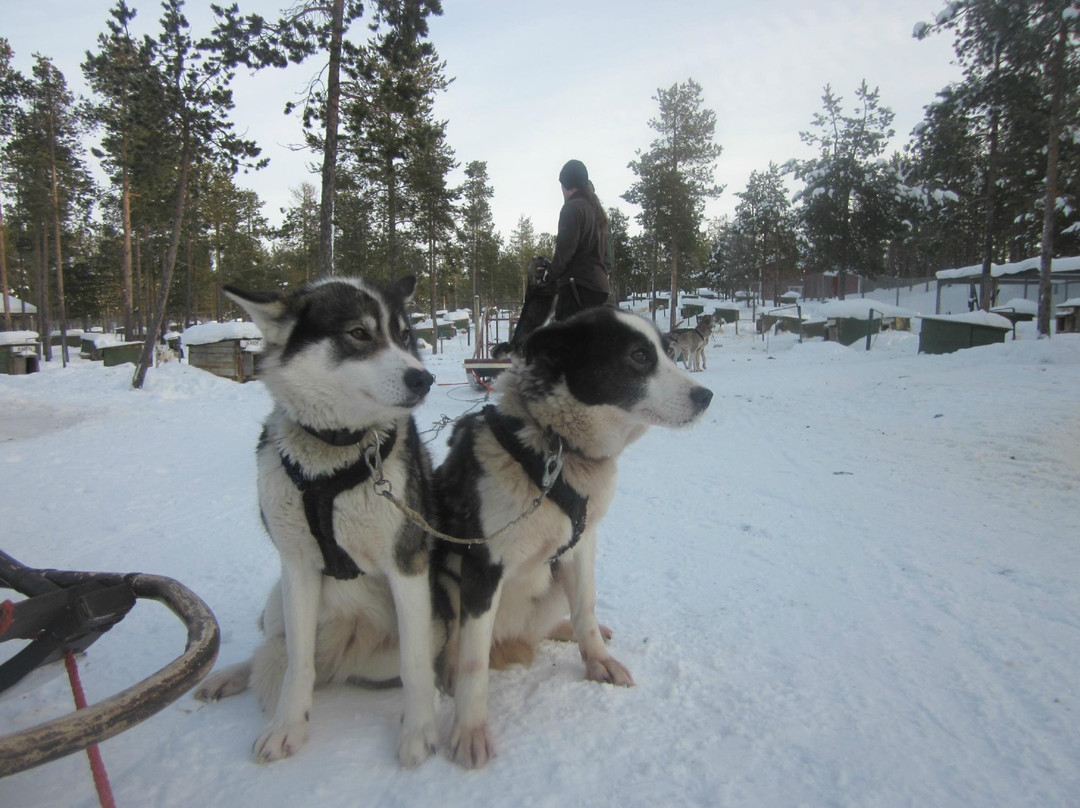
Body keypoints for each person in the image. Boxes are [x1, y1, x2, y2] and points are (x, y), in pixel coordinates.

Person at [549, 159, 611, 320]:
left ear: (566, 185)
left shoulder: (572, 208)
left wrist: (549, 277)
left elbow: (565, 251)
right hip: (599, 288)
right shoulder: (595, 209)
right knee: (590, 343)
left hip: (577, 289)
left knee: (567, 342)